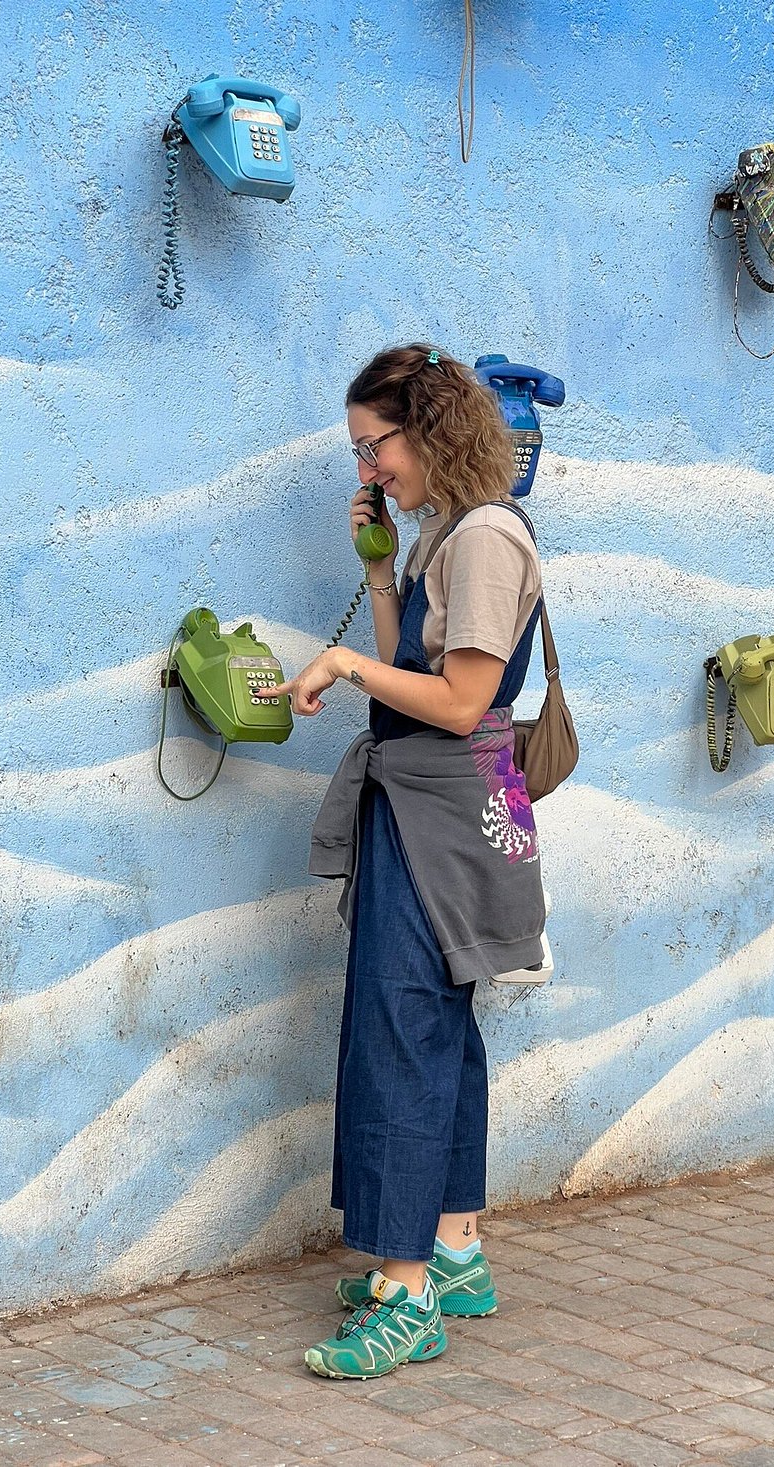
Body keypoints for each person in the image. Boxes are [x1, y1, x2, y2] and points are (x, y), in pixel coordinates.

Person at [258, 343, 547, 1380]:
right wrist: (381, 574)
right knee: (439, 1028)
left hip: (440, 810)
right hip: (437, 801)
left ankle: (404, 1293)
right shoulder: (449, 534)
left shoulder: (484, 540)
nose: (367, 468)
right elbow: (416, 671)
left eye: (372, 445)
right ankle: (454, 1252)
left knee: (401, 1030)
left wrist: (340, 660)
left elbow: (460, 703)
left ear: (427, 429)